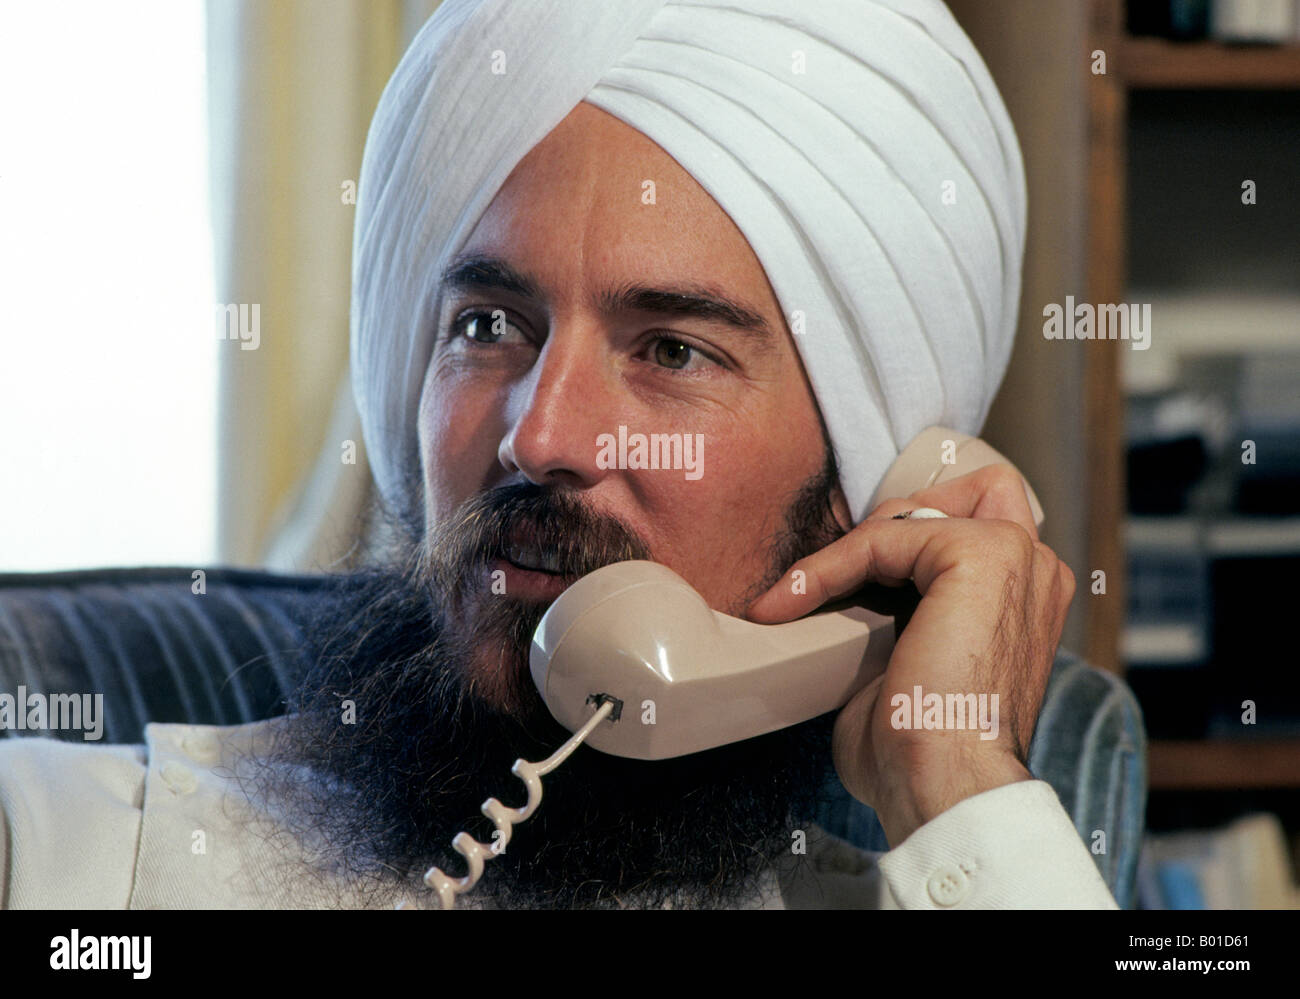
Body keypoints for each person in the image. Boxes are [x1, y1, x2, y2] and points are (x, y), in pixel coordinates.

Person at [0, 0, 1117, 909]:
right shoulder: (63, 852)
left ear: (864, 506)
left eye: (671, 350)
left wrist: (960, 783)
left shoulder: (942, 892)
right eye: (488, 326)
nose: (541, 437)